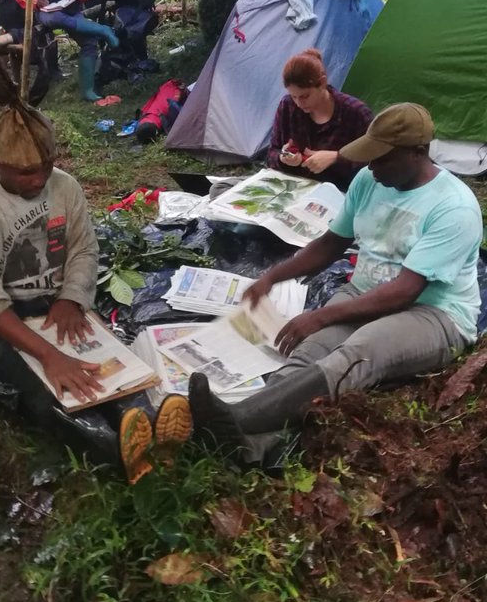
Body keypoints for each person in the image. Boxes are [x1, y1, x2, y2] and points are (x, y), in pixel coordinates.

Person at [182, 103, 482, 467]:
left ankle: (232, 419)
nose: (371, 167)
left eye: (382, 159)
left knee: (358, 352)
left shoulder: (454, 207)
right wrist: (270, 278)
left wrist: (323, 316)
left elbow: (405, 291)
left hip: (433, 314)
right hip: (364, 294)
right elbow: (329, 245)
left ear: (418, 152)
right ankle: (252, 445)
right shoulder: (368, 182)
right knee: (308, 353)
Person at [0, 55, 191, 481]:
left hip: (54, 303)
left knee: (112, 368)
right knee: (49, 390)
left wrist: (71, 298)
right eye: (24, 172)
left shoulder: (66, 188)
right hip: (0, 319)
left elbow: (83, 250)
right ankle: (118, 452)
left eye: (45, 166)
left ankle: (150, 424)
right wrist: (48, 354)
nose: (37, 179)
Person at [267, 48, 373, 190]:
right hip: (295, 189)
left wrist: (336, 158)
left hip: (340, 194)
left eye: (305, 96)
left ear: (322, 83)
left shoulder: (356, 113)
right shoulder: (287, 106)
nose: (299, 103)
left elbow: (374, 165)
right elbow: (272, 152)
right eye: (294, 96)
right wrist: (283, 157)